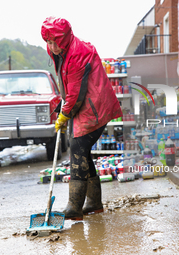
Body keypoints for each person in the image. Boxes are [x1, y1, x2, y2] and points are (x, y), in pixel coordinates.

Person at [41, 17, 122, 220]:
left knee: (77, 148)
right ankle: (94, 203)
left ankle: (74, 206)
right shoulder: (58, 50)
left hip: (95, 105)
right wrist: (63, 102)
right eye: (48, 42)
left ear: (64, 38)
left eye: (54, 42)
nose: (51, 47)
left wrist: (64, 114)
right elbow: (66, 81)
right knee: (82, 151)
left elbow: (76, 93)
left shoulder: (78, 53)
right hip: (82, 104)